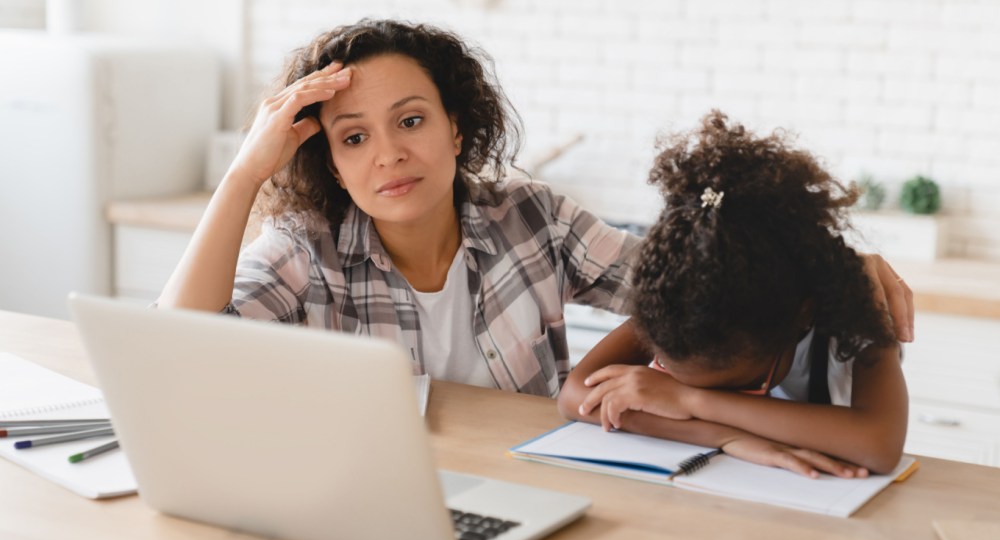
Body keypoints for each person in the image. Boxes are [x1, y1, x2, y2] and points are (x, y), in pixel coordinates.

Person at [158, 19, 914, 400]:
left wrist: (836, 262)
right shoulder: (304, 247)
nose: (387, 152)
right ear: (331, 162)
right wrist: (246, 173)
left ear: (458, 127)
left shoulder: (532, 218)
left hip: (525, 491)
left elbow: (687, 285)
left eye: (412, 120)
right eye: (353, 137)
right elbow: (178, 348)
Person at [557, 111, 909, 477]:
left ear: (801, 314)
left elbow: (879, 445)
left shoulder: (856, 305)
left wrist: (689, 400)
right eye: (672, 378)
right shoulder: (680, 300)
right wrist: (725, 437)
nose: (699, 396)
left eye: (744, 388)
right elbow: (575, 398)